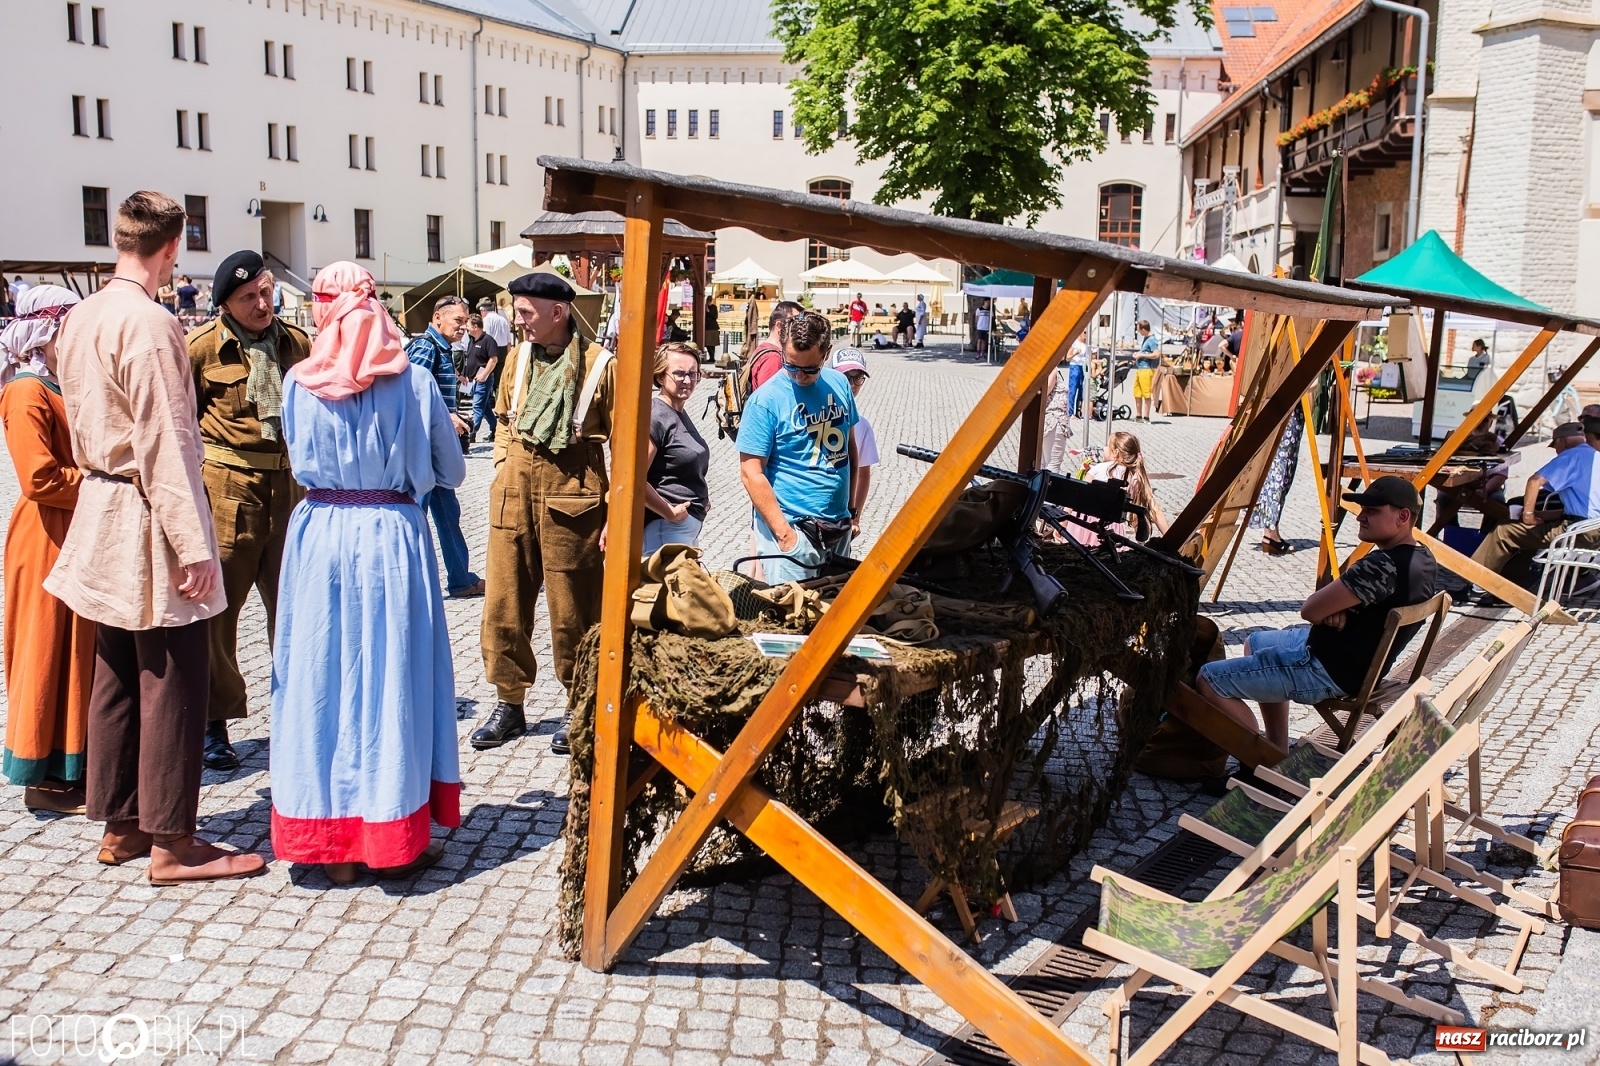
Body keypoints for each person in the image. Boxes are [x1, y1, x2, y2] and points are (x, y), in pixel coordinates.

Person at [45, 191, 265, 883]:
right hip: (144, 510)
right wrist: (194, 546)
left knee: (115, 666)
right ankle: (172, 839)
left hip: (103, 503)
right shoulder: (149, 323)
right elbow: (167, 438)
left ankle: (120, 822)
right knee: (174, 673)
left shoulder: (81, 316)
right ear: (171, 250)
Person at [269, 262, 463, 884]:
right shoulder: (417, 383)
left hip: (321, 534)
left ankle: (331, 840)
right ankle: (389, 830)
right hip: (390, 536)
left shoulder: (299, 382)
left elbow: (297, 457)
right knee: (392, 677)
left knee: (321, 675)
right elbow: (453, 473)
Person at [477, 271, 616, 755]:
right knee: (504, 603)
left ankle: (577, 703)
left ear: (558, 313)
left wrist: (615, 512)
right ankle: (509, 702)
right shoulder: (516, 357)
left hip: (573, 492)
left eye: (526, 312)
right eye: (517, 311)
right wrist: (500, 467)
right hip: (514, 487)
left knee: (572, 609)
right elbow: (501, 420)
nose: (517, 321)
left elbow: (628, 440)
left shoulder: (601, 365)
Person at [186, 250, 312, 772]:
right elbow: (182, 423)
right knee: (219, 613)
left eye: (266, 291)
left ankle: (297, 715)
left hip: (290, 487)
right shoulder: (199, 350)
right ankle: (214, 722)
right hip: (228, 489)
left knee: (294, 609)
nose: (263, 304)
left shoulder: (296, 343)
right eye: (249, 298)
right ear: (225, 305)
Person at [1197, 476, 1437, 751]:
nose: (1361, 517)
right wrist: (1337, 610)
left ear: (1403, 516)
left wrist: (1330, 610)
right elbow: (1327, 608)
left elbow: (1310, 609)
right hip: (1352, 660)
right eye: (1362, 509)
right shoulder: (1424, 559)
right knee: (1255, 642)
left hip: (1326, 669)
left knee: (1209, 679)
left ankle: (1260, 756)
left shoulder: (1381, 566)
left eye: (1372, 510)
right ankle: (1277, 746)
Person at [1, 285, 93, 814]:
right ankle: (42, 776)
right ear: (47, 332)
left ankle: (75, 765)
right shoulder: (26, 391)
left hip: (75, 528)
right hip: (44, 535)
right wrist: (104, 479)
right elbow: (39, 477)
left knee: (77, 648)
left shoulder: (63, 386)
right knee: (47, 646)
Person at [737, 311, 858, 584]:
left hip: (838, 526)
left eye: (809, 369)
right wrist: (785, 536)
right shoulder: (765, 401)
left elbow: (851, 448)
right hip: (794, 531)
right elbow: (750, 473)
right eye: (791, 365)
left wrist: (852, 511)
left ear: (826, 354)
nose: (800, 376)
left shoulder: (839, 383)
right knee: (790, 619)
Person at [406, 295, 484, 598]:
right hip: (424, 448)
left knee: (448, 513)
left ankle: (461, 579)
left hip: (434, 450)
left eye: (466, 322)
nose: (463, 328)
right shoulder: (426, 347)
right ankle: (410, 582)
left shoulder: (439, 347)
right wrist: (447, 414)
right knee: (416, 515)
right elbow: (410, 392)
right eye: (458, 321)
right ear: (438, 318)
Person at [1470, 414, 1600, 591]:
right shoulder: (1594, 457)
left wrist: (1529, 515)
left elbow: (1534, 481)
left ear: (1561, 441)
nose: (1556, 451)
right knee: (1526, 533)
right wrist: (1541, 515)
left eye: (1556, 446)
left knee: (1504, 530)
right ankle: (1510, 584)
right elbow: (1585, 505)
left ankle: (1474, 582)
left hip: (1583, 532)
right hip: (1591, 529)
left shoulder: (1572, 455)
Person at [642, 342, 710, 553]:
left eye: (693, 374)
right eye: (679, 374)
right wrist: (669, 512)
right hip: (665, 527)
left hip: (682, 526)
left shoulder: (678, 411)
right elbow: (634, 478)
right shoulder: (657, 415)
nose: (688, 381)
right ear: (661, 376)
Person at [1086, 431, 1168, 539]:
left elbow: (1078, 495)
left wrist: (1062, 524)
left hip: (1085, 525)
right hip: (1113, 531)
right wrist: (1171, 540)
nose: (1104, 448)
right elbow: (1155, 511)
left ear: (1116, 452)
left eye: (1107, 445)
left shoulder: (1097, 469)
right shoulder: (1134, 477)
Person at [831, 347, 878, 534]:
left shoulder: (862, 426)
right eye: (846, 377)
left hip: (843, 512)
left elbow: (863, 473)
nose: (852, 384)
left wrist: (855, 516)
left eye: (858, 377)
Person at [1249, 405, 1304, 554]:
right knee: (1280, 472)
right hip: (1288, 414)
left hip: (1285, 414)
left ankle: (1271, 531)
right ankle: (1271, 533)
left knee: (1278, 473)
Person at [462, 313, 503, 445]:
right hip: (473, 380)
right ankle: (495, 429)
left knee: (477, 407)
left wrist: (484, 374)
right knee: (485, 408)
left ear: (475, 326)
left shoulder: (488, 340)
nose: (466, 328)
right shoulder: (471, 340)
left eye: (468, 325)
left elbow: (493, 359)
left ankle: (471, 434)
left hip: (483, 380)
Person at [746, 300, 805, 392]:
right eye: (796, 322)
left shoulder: (765, 349)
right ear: (779, 325)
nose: (800, 327)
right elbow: (769, 396)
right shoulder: (773, 357)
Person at [1041, 359, 1074, 475]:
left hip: (1047, 419)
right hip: (1053, 419)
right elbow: (1044, 392)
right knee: (1053, 463)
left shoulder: (1045, 369)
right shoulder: (1052, 369)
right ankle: (1048, 491)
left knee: (1044, 463)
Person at [1132, 319, 1160, 422]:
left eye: (1139, 330)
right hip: (1140, 369)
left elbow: (1156, 354)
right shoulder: (1146, 338)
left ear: (1144, 329)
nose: (1139, 332)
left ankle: (1146, 417)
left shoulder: (1152, 340)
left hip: (1146, 369)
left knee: (1146, 393)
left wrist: (1141, 355)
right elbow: (1145, 351)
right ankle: (1138, 415)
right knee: (1137, 392)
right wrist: (1138, 353)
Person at [1065, 332, 1089, 421]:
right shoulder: (1075, 343)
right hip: (1075, 366)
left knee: (1081, 390)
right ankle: (1070, 413)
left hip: (1083, 367)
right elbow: (1067, 358)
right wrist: (1075, 353)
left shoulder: (1086, 344)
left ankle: (1078, 412)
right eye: (1085, 333)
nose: (1086, 335)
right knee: (1073, 390)